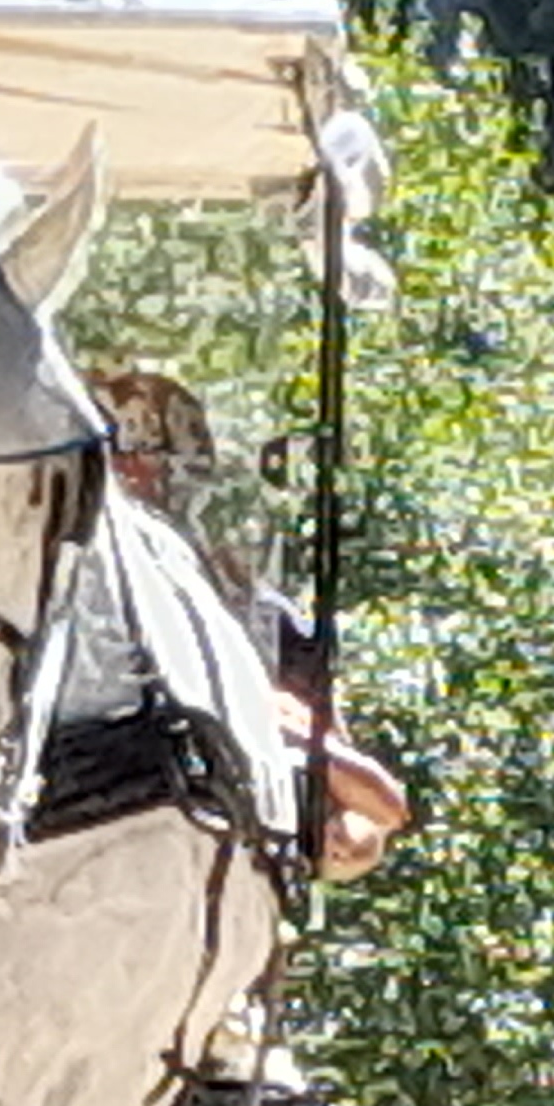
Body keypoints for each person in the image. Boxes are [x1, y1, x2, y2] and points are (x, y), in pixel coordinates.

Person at [88, 367, 410, 883]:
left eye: (160, 452)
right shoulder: (46, 589)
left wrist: (282, 733)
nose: (141, 473)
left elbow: (375, 810)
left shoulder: (262, 617)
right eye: (124, 452)